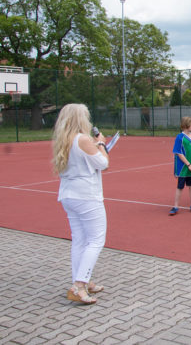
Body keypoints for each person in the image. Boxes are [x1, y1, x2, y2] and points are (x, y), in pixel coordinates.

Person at [53, 104, 109, 305]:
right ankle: (79, 284)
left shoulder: (63, 140)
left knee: (79, 240)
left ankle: (82, 280)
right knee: (96, 240)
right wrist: (101, 144)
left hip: (69, 195)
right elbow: (103, 163)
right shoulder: (83, 139)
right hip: (86, 196)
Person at [170, 116, 191, 215]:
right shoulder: (180, 137)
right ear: (186, 125)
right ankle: (175, 206)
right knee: (180, 187)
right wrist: (188, 164)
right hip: (183, 168)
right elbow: (179, 152)